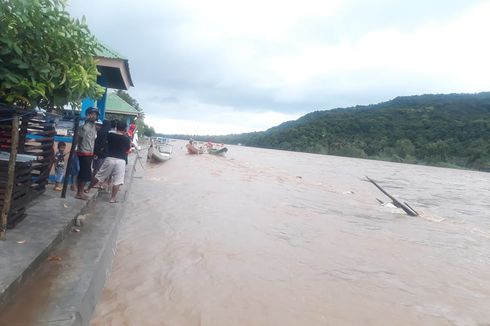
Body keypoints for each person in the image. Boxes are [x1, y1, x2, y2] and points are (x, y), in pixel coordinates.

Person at [90, 120, 130, 203]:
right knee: (118, 180)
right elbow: (127, 149)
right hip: (121, 160)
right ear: (125, 129)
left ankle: (87, 189)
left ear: (116, 127)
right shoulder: (126, 139)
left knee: (99, 176)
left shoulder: (110, 135)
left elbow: (104, 142)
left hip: (110, 158)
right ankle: (113, 198)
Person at [75, 107, 99, 200]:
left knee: (84, 173)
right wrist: (75, 149)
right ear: (88, 115)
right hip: (83, 152)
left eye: (95, 114)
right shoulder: (84, 126)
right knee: (85, 174)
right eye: (92, 114)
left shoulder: (93, 126)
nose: (94, 116)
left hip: (89, 152)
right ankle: (79, 193)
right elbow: (78, 138)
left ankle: (79, 192)